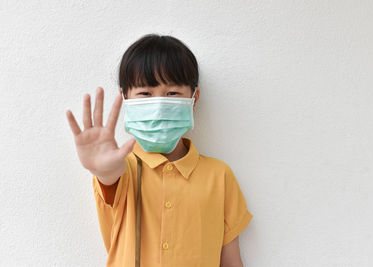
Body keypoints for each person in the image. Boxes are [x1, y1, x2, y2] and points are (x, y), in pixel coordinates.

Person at [66, 33, 253, 267]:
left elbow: (232, 262)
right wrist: (102, 170)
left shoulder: (220, 176)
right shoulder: (122, 169)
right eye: (145, 93)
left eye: (172, 93)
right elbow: (109, 177)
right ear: (126, 99)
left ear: (193, 99)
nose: (158, 104)